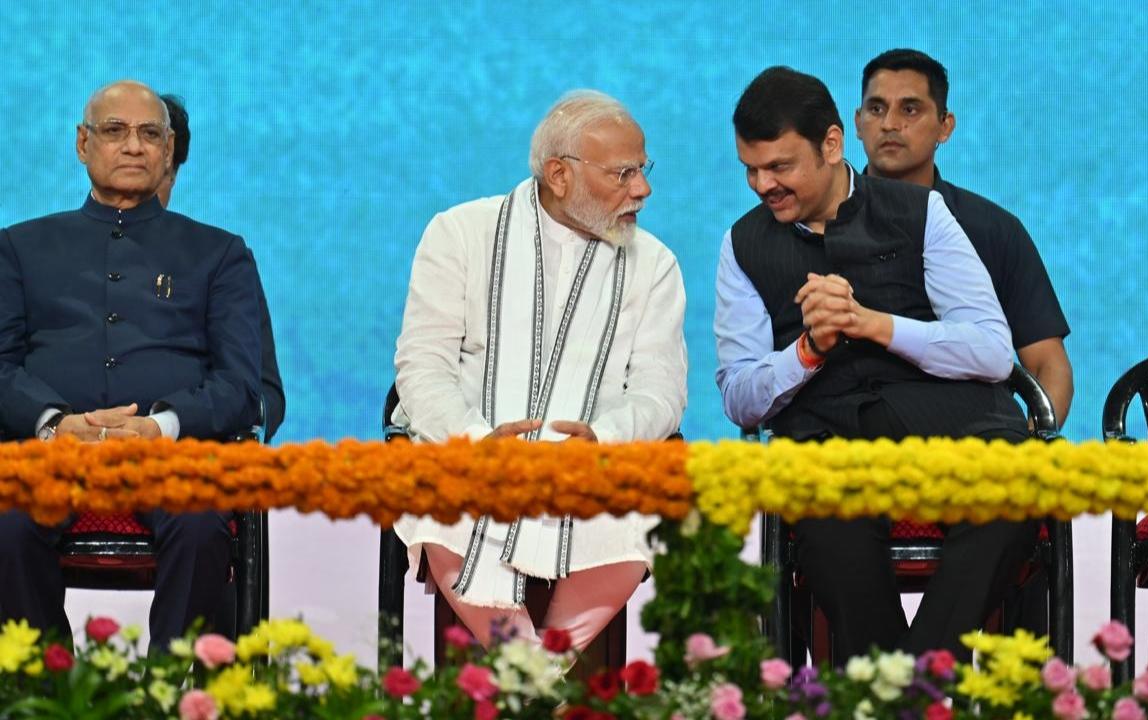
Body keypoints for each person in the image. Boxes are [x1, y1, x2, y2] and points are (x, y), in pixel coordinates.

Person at [715, 66, 1037, 662]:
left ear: (832, 145)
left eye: (780, 167)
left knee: (1015, 492)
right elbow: (738, 395)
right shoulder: (741, 245)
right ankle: (914, 691)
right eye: (750, 169)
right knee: (829, 528)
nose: (763, 185)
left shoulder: (923, 213)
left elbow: (992, 350)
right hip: (829, 444)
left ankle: (903, 689)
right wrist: (807, 352)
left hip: (955, 426)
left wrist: (873, 325)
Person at [392, 91, 687, 651]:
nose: (642, 190)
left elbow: (661, 388)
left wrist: (606, 437)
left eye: (643, 170)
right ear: (559, 174)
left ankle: (530, 676)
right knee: (437, 499)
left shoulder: (655, 263)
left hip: (592, 462)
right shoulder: (460, 233)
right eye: (624, 173)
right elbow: (421, 366)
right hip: (477, 449)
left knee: (635, 514)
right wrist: (478, 441)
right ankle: (539, 678)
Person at [0, 80, 262, 648]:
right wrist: (55, 424)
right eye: (114, 131)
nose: (133, 147)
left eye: (149, 134)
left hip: (172, 458)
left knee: (200, 524)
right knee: (8, 524)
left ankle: (166, 695)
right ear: (82, 143)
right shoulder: (19, 248)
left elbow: (242, 384)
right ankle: (49, 696)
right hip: (51, 457)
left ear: (169, 151)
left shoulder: (219, 253)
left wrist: (158, 427)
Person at [854, 49, 1072, 423]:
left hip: (974, 441)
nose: (889, 123)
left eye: (909, 109)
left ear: (945, 126)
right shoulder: (820, 222)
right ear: (857, 124)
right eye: (876, 109)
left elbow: (1048, 365)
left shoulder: (993, 229)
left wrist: (1031, 456)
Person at [156, 93, 286, 441]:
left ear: (172, 167)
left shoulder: (221, 258)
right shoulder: (38, 253)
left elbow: (266, 395)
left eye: (161, 175)